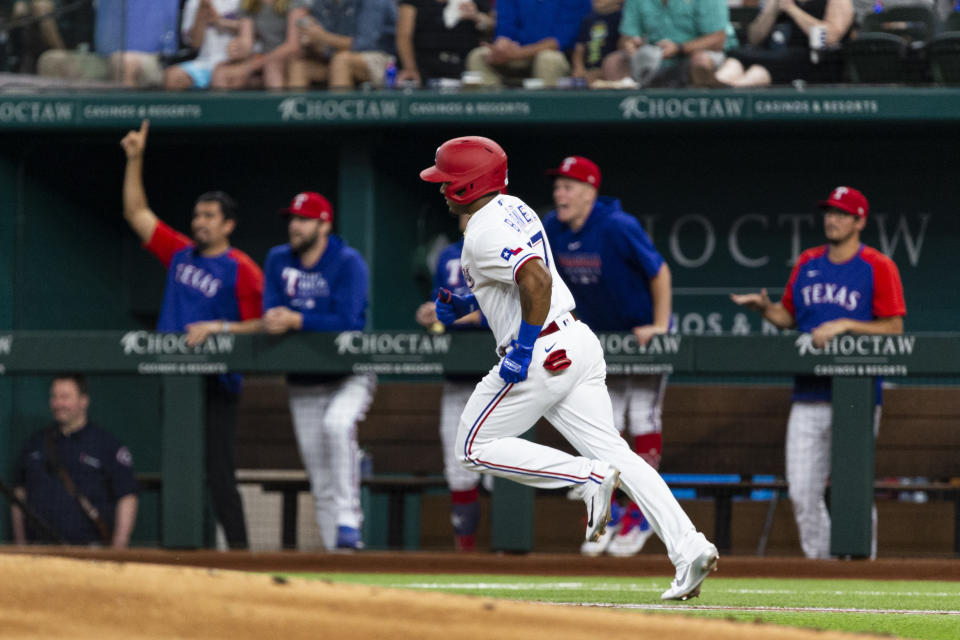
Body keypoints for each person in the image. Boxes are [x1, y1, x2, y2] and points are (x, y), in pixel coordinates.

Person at [420, 136, 717, 600]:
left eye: (447, 180)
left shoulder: (482, 231)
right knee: (620, 455)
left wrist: (520, 347)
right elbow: (515, 279)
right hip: (577, 340)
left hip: (541, 348)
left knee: (473, 447)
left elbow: (535, 278)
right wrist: (465, 303)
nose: (440, 188)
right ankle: (690, 547)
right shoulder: (512, 206)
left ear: (468, 185)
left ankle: (587, 477)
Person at [730, 186, 906, 559]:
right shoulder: (809, 262)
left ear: (860, 221)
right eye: (829, 212)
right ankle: (824, 565)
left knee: (851, 488)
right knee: (803, 490)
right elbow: (788, 318)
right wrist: (765, 308)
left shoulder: (877, 265)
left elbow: (893, 328)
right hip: (809, 393)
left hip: (856, 395)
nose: (833, 218)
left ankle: (859, 564)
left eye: (842, 213)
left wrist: (845, 324)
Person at [120, 119, 264, 550]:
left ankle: (240, 555)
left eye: (209, 216)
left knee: (218, 473)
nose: (199, 222)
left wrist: (220, 328)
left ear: (228, 225)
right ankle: (184, 553)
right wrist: (135, 159)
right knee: (179, 467)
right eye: (197, 215)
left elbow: (263, 321)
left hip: (217, 380)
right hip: (177, 374)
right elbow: (136, 213)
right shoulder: (180, 253)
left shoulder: (242, 268)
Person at [542, 155, 671, 557]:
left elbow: (659, 271)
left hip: (640, 336)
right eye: (557, 186)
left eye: (567, 187)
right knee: (604, 424)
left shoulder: (617, 225)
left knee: (641, 418)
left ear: (589, 192)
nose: (559, 194)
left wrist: (662, 326)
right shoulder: (552, 227)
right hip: (596, 341)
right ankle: (611, 511)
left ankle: (641, 513)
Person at [261, 191, 375, 551]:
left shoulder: (347, 261)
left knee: (337, 425)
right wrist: (278, 319)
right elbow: (269, 311)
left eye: (304, 219)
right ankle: (338, 558)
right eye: (292, 218)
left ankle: (348, 522)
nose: (295, 225)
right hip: (303, 381)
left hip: (350, 374)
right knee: (320, 479)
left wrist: (298, 319)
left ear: (324, 224)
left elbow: (349, 322)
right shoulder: (278, 259)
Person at [414, 213, 486, 551]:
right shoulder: (447, 255)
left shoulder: (504, 249)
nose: (464, 213)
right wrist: (431, 313)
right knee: (456, 462)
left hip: (500, 371)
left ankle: (512, 551)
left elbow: (519, 303)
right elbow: (441, 305)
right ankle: (466, 551)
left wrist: (471, 316)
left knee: (503, 465)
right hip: (457, 374)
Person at [11, 374, 138, 548]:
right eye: (54, 397)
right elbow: (19, 494)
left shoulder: (106, 445)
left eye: (65, 397)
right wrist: (21, 545)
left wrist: (118, 550)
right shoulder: (35, 444)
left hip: (90, 553)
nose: (58, 404)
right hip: (39, 553)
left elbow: (127, 497)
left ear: (83, 400)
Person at [704, 0, 853, 87]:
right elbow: (754, 37)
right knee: (734, 62)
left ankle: (733, 97)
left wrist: (792, 9)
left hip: (812, 60)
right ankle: (716, 95)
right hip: (770, 54)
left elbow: (831, 36)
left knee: (758, 70)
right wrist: (772, 9)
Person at [601, 0, 738, 88]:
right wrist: (630, 44)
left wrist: (680, 48)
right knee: (613, 62)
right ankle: (627, 118)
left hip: (692, 56)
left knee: (700, 60)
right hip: (651, 60)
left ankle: (704, 117)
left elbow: (718, 40)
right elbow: (626, 37)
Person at [463, 0, 592, 88]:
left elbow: (562, 40)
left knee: (548, 59)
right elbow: (505, 29)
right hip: (515, 54)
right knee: (478, 56)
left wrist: (517, 54)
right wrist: (501, 47)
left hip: (561, 56)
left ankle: (545, 119)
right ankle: (494, 117)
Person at [211, 0, 308, 90]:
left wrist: (250, 67)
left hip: (288, 58)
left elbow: (293, 46)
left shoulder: (294, 3)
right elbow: (247, 43)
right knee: (220, 72)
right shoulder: (249, 3)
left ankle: (274, 107)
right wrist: (237, 48)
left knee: (272, 68)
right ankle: (225, 108)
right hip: (263, 56)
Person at [395, 0, 494, 88]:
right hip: (425, 66)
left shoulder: (476, 2)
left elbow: (493, 26)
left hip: (466, 67)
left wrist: (477, 17)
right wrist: (410, 69)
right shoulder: (413, 2)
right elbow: (404, 36)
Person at [164, 0, 243, 91]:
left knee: (220, 75)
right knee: (173, 77)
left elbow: (254, 29)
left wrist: (219, 21)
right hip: (205, 63)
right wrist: (201, 13)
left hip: (234, 63)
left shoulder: (240, 2)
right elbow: (195, 45)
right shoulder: (194, 2)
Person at [324, 0, 396, 89]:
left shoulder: (374, 2)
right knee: (303, 66)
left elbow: (364, 44)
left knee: (342, 61)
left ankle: (341, 103)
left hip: (385, 58)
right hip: (341, 54)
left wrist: (322, 37)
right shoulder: (334, 3)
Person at [571, 0, 623, 86]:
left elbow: (621, 50)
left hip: (610, 73)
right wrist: (578, 67)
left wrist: (605, 71)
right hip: (587, 71)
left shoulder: (621, 18)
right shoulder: (588, 19)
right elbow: (580, 47)